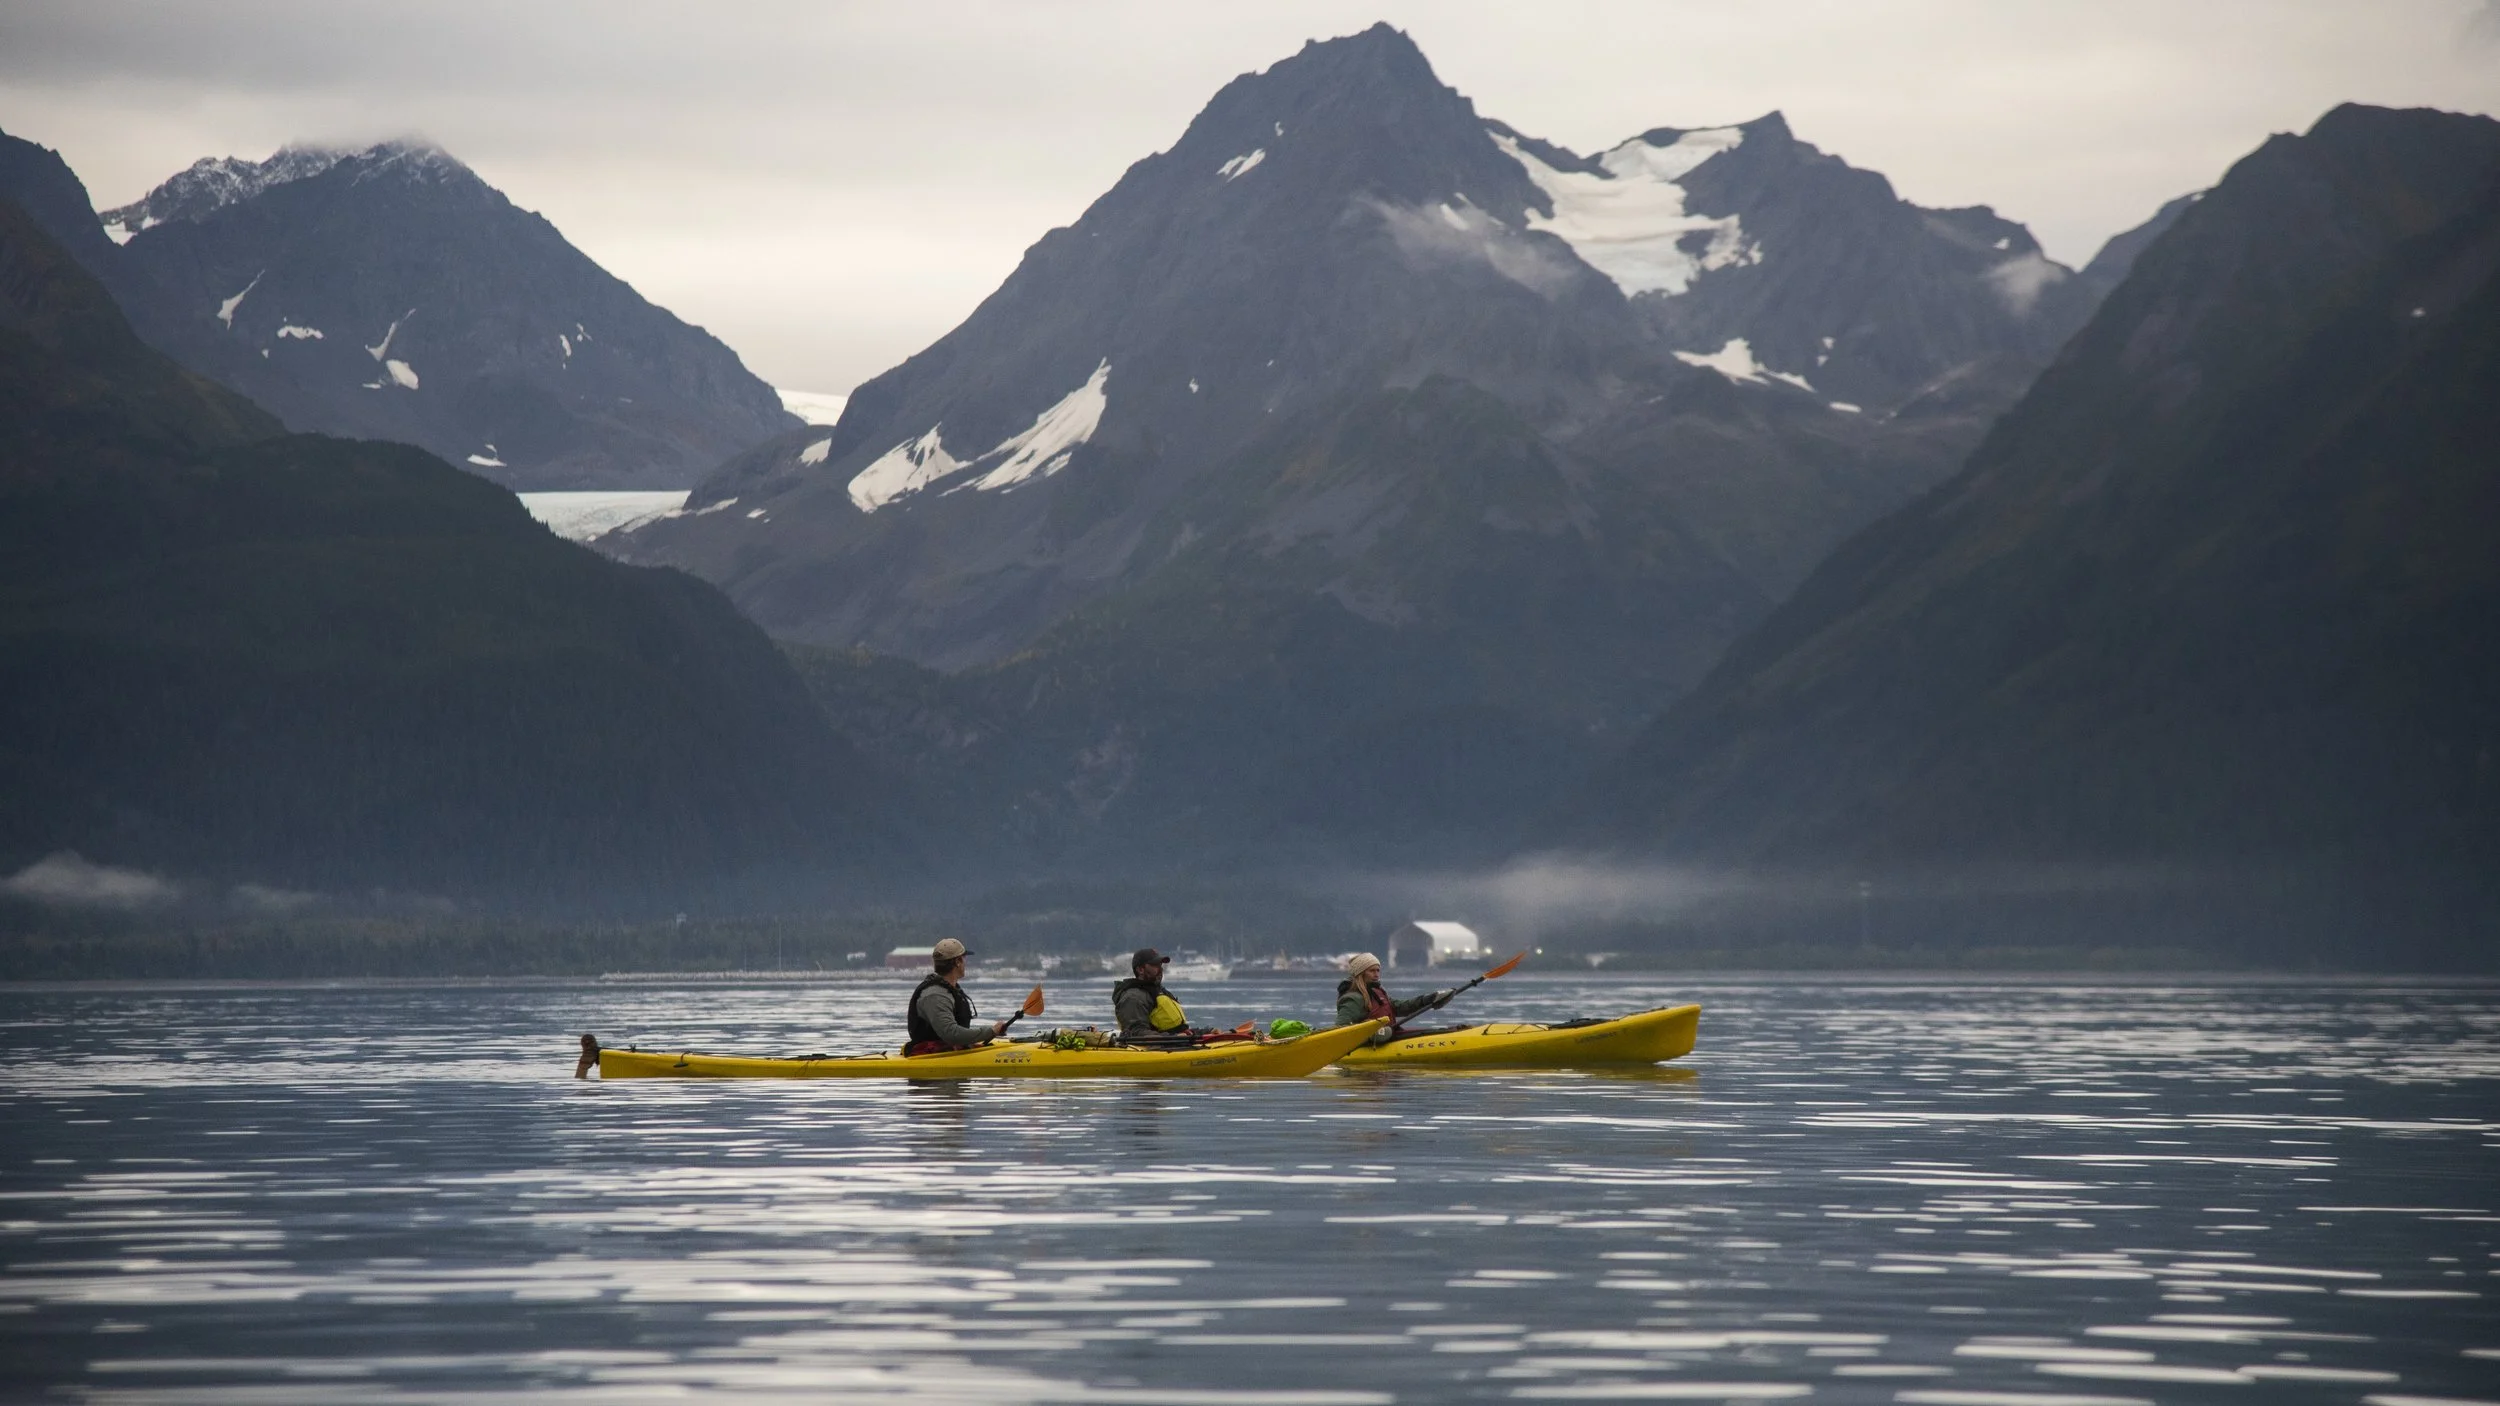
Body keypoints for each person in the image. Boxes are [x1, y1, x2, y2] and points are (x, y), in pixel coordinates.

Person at [904, 938, 1012, 1055]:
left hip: (947, 1050)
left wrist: (992, 1031)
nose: (965, 963)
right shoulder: (935, 995)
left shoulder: (949, 989)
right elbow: (951, 1034)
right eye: (964, 959)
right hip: (929, 1055)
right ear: (958, 961)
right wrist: (990, 1031)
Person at [1336, 952, 1453, 1030]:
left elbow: (1400, 1007)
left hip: (1389, 1038)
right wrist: (1366, 1032)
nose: (1376, 974)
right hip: (1371, 1044)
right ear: (1360, 974)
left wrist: (1427, 1000)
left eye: (1378, 970)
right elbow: (1340, 1028)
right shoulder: (1353, 999)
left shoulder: (1378, 992)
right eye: (1372, 971)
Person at [1110, 948, 1195, 1042]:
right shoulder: (1133, 997)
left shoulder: (1159, 992)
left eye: (1160, 965)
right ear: (1140, 970)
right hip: (1154, 1048)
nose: (1161, 969)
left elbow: (1180, 1030)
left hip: (1173, 1043)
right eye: (1155, 965)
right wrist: (1174, 1037)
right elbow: (1136, 1033)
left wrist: (1207, 1032)